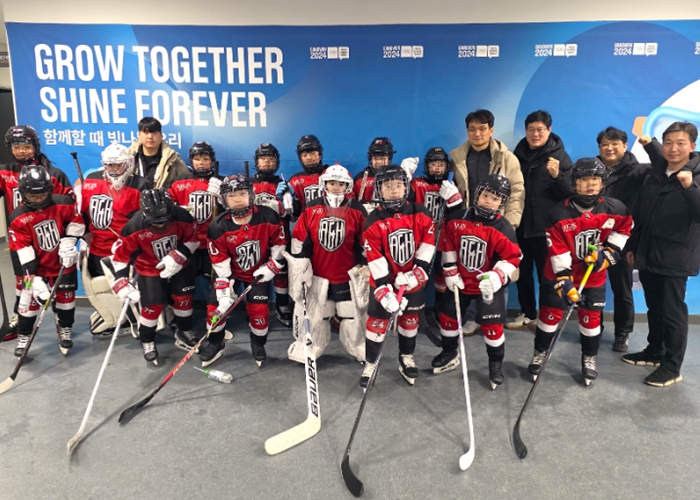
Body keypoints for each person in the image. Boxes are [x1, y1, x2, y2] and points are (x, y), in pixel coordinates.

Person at [529, 158, 632, 386]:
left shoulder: (615, 208)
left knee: (590, 319)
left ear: (602, 183)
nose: (590, 185)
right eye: (584, 180)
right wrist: (564, 280)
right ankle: (540, 353)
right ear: (574, 183)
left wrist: (609, 253)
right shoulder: (558, 212)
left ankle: (589, 357)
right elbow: (557, 249)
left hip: (593, 277)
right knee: (549, 316)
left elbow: (625, 228)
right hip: (559, 275)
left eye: (595, 180)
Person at [623, 122, 700, 387]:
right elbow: (641, 213)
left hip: (676, 255)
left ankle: (671, 367)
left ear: (692, 146)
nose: (673, 148)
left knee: (672, 312)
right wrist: (633, 246)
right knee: (654, 306)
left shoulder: (695, 176)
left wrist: (689, 188)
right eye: (668, 143)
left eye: (681, 143)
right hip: (647, 252)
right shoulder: (656, 172)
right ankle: (654, 351)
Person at [433, 174, 521, 389]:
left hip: (487, 285)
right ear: (477, 194)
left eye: (495, 198)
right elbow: (448, 244)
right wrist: (450, 271)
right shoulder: (458, 218)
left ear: (502, 202)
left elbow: (514, 257)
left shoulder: (503, 227)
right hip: (461, 282)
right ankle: (449, 352)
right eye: (485, 195)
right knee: (447, 317)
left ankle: (495, 363)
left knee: (492, 327)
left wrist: (497, 276)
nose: (488, 201)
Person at [450, 109, 524, 335]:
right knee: (471, 268)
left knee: (499, 268)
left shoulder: (507, 158)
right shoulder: (458, 157)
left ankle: (494, 317)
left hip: (497, 224)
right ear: (467, 131)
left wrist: (510, 224)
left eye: (482, 129)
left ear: (491, 130)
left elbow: (517, 192)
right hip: (469, 224)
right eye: (472, 129)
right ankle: (472, 318)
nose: (477, 133)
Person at [360, 164, 435, 387]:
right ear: (378, 190)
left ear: (406, 187)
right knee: (377, 324)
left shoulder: (421, 213)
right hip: (383, 282)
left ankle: (406, 356)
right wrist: (385, 289)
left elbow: (427, 245)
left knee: (409, 322)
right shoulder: (373, 220)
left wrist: (416, 274)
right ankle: (371, 362)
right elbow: (374, 257)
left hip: (412, 281)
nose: (393, 190)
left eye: (398, 185)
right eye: (387, 186)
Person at [285, 164, 368, 364]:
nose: (336, 187)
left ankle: (358, 345)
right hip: (319, 275)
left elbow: (366, 241)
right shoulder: (311, 208)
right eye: (332, 183)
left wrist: (366, 264)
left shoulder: (357, 209)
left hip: (347, 275)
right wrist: (300, 267)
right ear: (324, 184)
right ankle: (312, 346)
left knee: (351, 315)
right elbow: (300, 240)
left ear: (347, 186)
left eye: (341, 184)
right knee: (318, 315)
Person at [0, 125, 75, 341]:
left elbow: (69, 206)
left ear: (36, 146)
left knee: (60, 285)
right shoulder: (5, 172)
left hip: (51, 240)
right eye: (17, 147)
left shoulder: (54, 174)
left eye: (26, 146)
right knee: (24, 281)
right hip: (21, 240)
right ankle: (20, 317)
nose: (22, 151)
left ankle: (62, 320)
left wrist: (69, 239)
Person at [204, 175, 287, 367]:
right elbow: (219, 261)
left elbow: (279, 244)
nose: (238, 199)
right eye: (232, 195)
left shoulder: (268, 215)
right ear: (224, 199)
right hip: (229, 273)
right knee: (214, 311)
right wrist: (225, 290)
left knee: (259, 313)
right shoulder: (217, 226)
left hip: (258, 272)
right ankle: (215, 343)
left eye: (242, 193)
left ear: (251, 194)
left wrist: (273, 266)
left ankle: (258, 344)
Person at [108, 189, 199, 365]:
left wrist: (179, 255)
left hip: (180, 265)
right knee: (152, 306)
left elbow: (193, 240)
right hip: (149, 268)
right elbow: (119, 257)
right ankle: (147, 340)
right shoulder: (133, 226)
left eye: (164, 220)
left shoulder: (183, 216)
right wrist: (120, 280)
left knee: (184, 299)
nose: (160, 225)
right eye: (155, 222)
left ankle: (184, 331)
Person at [8, 165, 84, 356]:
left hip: (63, 263)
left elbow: (76, 221)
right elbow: (23, 250)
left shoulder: (64, 203)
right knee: (28, 302)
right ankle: (24, 336)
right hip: (34, 269)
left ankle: (65, 329)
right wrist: (33, 280)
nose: (39, 199)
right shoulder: (17, 217)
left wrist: (70, 241)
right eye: (33, 196)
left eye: (43, 194)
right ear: (23, 193)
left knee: (66, 301)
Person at [508, 110, 574, 330]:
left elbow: (569, 194)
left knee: (549, 276)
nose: (535, 134)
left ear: (549, 130)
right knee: (523, 274)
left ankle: (549, 317)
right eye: (531, 130)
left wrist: (557, 176)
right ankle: (527, 313)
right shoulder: (517, 155)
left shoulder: (560, 157)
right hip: (521, 226)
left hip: (547, 228)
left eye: (540, 130)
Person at [80, 142, 151, 337]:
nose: (113, 169)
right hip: (98, 249)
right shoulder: (91, 182)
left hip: (126, 252)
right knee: (101, 288)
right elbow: (83, 215)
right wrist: (82, 238)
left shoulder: (141, 185)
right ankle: (116, 318)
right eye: (109, 165)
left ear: (128, 163)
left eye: (118, 165)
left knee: (132, 291)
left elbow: (146, 224)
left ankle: (139, 322)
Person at [596, 127, 650, 351]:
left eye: (614, 143)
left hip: (623, 238)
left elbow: (663, 167)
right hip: (594, 238)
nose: (609, 148)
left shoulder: (637, 171)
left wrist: (651, 145)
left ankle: (622, 333)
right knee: (592, 287)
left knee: (622, 288)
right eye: (604, 144)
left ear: (625, 146)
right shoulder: (592, 168)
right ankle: (593, 328)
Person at [409, 147, 463, 321]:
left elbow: (457, 217)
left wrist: (455, 202)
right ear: (427, 166)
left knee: (442, 279)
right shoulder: (417, 184)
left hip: (443, 242)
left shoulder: (450, 185)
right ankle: (415, 310)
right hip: (421, 241)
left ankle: (440, 310)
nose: (438, 168)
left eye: (441, 164)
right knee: (418, 278)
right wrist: (405, 177)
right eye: (434, 164)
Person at [168, 141, 223, 287]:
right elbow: (167, 207)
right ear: (191, 161)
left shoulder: (221, 182)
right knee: (184, 283)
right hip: (187, 241)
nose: (201, 163)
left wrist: (223, 199)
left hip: (213, 242)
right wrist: (179, 211)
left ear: (212, 161)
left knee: (216, 284)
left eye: (206, 159)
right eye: (197, 159)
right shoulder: (179, 182)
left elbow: (233, 212)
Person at [250, 143, 293, 327]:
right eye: (263, 159)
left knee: (281, 274)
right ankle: (255, 309)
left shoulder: (283, 184)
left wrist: (287, 201)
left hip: (280, 238)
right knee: (256, 274)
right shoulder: (249, 184)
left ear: (277, 162)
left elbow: (293, 214)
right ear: (256, 162)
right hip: (256, 239)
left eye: (270, 159)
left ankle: (282, 306)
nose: (267, 162)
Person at [128, 117, 189, 189]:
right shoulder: (128, 159)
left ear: (161, 135)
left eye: (154, 133)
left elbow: (186, 188)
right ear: (139, 134)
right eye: (146, 133)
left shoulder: (174, 160)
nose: (150, 137)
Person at [279, 135, 327, 218]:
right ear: (300, 158)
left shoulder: (332, 173)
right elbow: (294, 216)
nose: (309, 157)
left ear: (319, 154)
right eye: (305, 155)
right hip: (306, 224)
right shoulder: (294, 181)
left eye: (313, 154)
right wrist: (289, 200)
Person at [353, 137, 395, 212]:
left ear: (389, 158)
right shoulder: (360, 178)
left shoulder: (396, 177)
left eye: (382, 158)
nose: (378, 162)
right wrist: (360, 208)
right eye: (375, 158)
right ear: (370, 159)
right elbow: (352, 201)